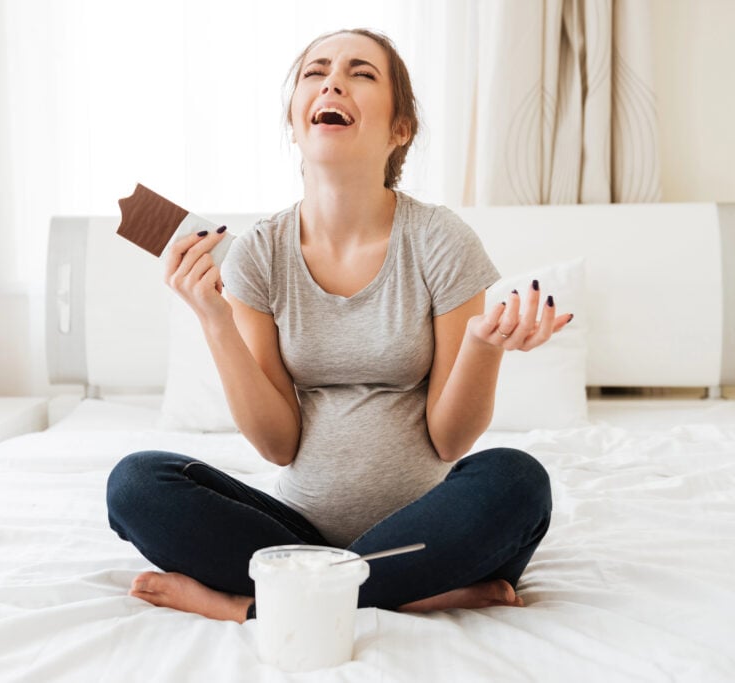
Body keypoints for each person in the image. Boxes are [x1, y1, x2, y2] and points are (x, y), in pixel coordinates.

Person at [106, 28, 570, 623]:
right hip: (292, 536)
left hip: (429, 534)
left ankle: (253, 608)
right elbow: (278, 446)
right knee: (137, 483)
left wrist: (483, 347)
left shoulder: (439, 240)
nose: (332, 81)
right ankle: (404, 595)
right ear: (296, 121)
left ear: (400, 129)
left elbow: (450, 441)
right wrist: (216, 321)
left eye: (361, 73)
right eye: (315, 72)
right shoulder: (259, 255)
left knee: (518, 479)